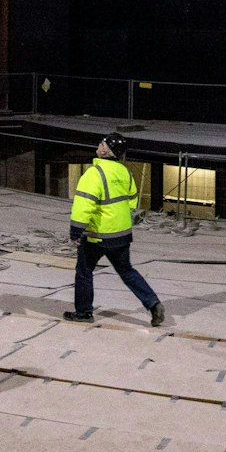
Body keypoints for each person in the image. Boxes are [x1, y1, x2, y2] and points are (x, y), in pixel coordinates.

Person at [65, 133, 167, 328]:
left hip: (97, 236)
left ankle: (84, 313)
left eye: (102, 143)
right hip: (121, 234)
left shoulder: (94, 174)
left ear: (105, 150)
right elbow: (132, 201)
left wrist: (76, 231)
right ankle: (153, 304)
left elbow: (83, 205)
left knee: (84, 271)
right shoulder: (124, 172)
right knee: (127, 271)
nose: (99, 144)